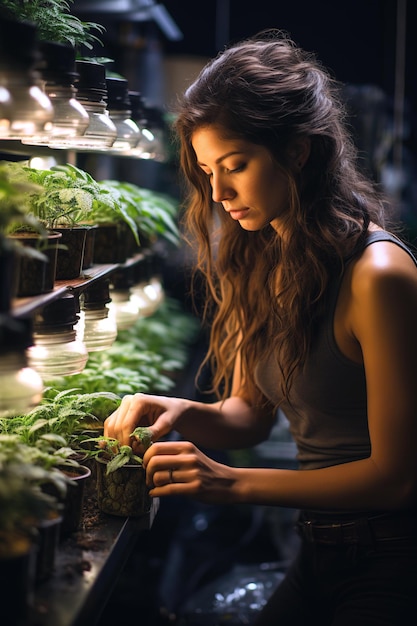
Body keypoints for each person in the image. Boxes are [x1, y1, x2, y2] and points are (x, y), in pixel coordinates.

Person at [104, 29, 417, 625]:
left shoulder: (378, 276)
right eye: (205, 171)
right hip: (319, 549)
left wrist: (228, 483)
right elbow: (248, 413)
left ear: (298, 151)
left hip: (393, 555)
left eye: (236, 166)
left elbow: (396, 479)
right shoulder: (260, 259)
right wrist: (170, 412)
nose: (218, 193)